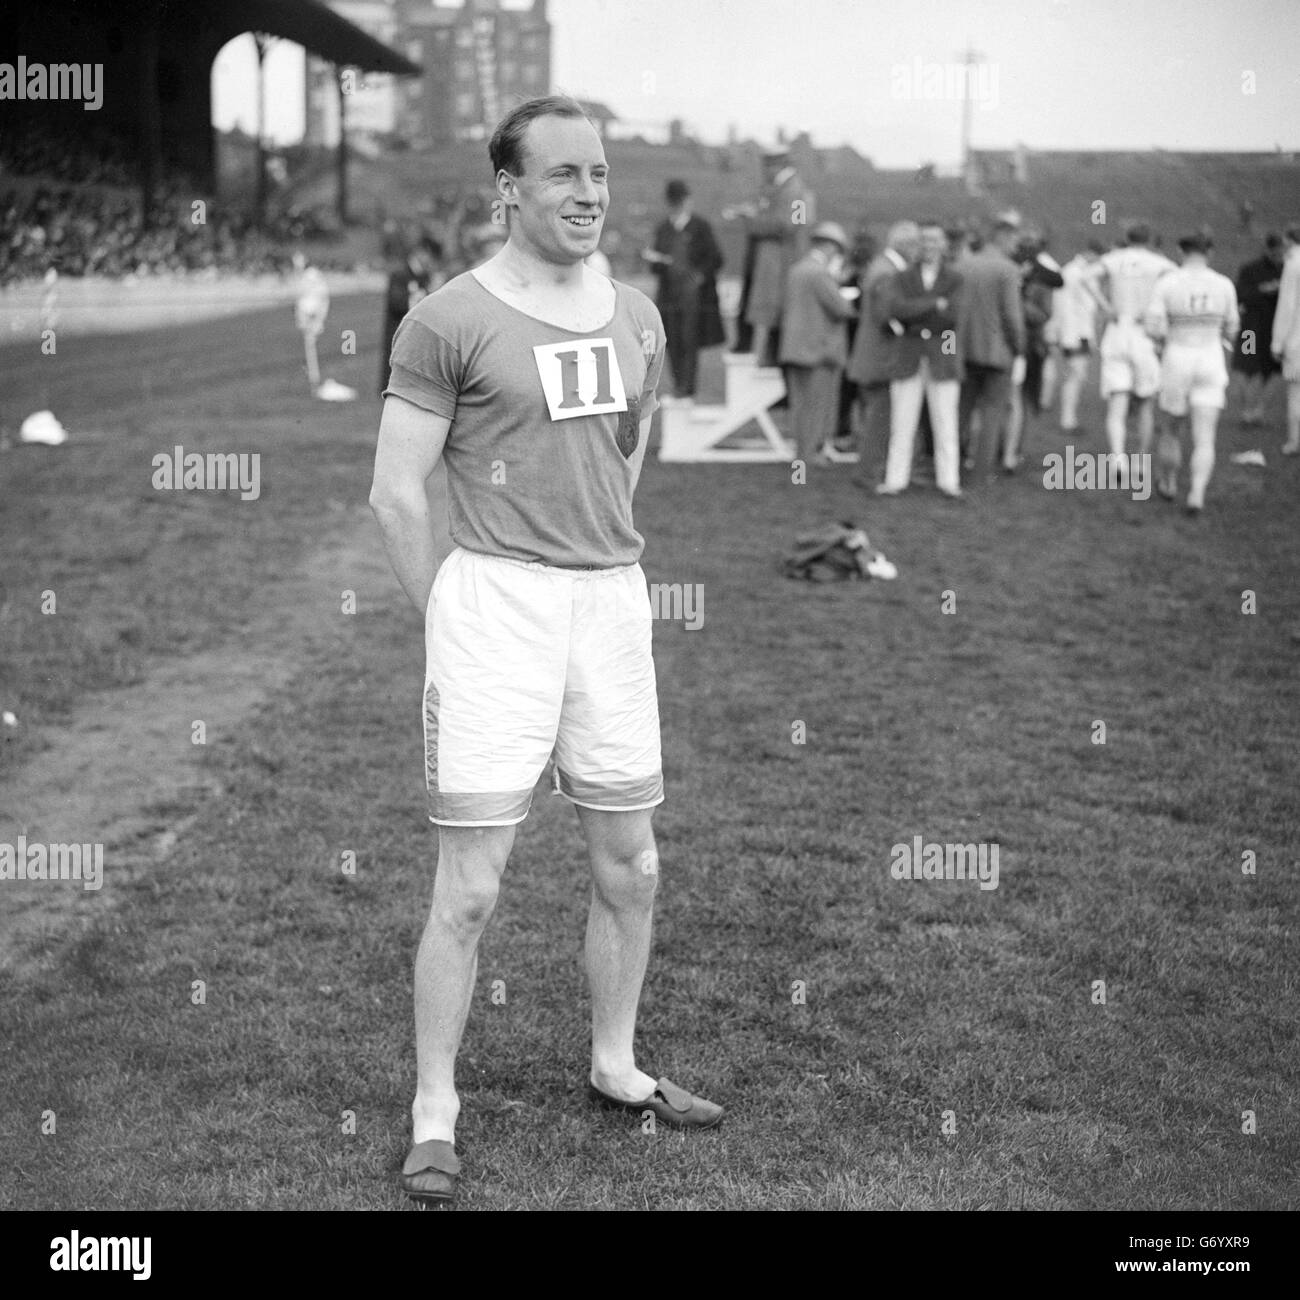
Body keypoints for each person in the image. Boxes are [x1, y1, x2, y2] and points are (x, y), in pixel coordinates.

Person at [370, 95, 723, 1206]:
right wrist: (452, 619)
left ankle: (615, 1065)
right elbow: (394, 493)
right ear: (508, 190)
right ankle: (436, 1111)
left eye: (601, 174)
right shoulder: (447, 318)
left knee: (636, 863)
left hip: (609, 607)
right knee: (470, 889)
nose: (588, 195)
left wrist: (595, 564)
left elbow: (624, 459)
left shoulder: (639, 316)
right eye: (563, 174)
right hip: (496, 609)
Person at [1146, 233, 1240, 514]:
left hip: (1178, 356)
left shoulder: (1168, 282)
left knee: (1172, 428)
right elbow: (1233, 329)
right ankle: (1197, 492)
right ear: (1209, 252)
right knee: (1205, 435)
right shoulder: (1223, 284)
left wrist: (1164, 340)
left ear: (1180, 251)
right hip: (1210, 357)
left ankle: (1170, 481)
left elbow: (1153, 327)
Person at [876, 221, 964, 497]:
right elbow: (894, 308)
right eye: (924, 240)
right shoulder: (902, 277)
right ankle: (896, 479)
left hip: (943, 354)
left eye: (935, 240)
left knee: (945, 420)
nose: (929, 246)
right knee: (902, 422)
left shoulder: (955, 279)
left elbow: (952, 316)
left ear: (944, 245)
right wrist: (932, 304)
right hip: (908, 354)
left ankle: (948, 480)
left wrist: (916, 313)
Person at [1084, 222, 1175, 461]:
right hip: (1144, 332)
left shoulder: (1115, 258)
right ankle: (1140, 458)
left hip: (1118, 329)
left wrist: (1105, 306)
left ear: (1127, 237)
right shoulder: (1159, 262)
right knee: (1145, 402)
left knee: (1118, 399)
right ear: (1148, 239)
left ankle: (1117, 455)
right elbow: (1178, 281)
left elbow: (1087, 276)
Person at [845, 220, 918, 486]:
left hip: (874, 355)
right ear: (905, 245)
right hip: (882, 357)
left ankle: (873, 470)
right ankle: (868, 473)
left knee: (878, 415)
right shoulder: (887, 272)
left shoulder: (882, 267)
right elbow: (886, 315)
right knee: (880, 417)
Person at [955, 215, 1025, 488]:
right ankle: (982, 474)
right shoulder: (1008, 269)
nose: (1016, 246)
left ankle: (951, 467)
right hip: (998, 353)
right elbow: (1012, 316)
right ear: (1003, 237)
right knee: (992, 412)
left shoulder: (963, 265)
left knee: (962, 410)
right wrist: (1019, 347)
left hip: (965, 349)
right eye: (1014, 240)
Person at [778, 221, 856, 465]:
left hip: (794, 348)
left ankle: (802, 454)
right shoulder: (819, 273)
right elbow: (841, 309)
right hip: (818, 351)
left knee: (801, 406)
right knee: (816, 406)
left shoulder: (797, 270)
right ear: (831, 248)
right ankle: (809, 455)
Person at [642, 179, 725, 401]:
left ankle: (687, 387)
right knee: (671, 339)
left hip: (693, 296)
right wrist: (662, 262)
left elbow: (715, 258)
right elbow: (654, 264)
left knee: (689, 339)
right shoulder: (663, 229)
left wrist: (699, 276)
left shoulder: (701, 227)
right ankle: (679, 384)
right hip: (669, 294)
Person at [732, 149, 814, 366]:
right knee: (776, 318)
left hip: (781, 263)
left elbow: (789, 224)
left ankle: (776, 361)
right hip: (780, 261)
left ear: (775, 166)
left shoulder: (793, 190)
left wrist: (752, 220)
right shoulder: (787, 189)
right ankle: (771, 359)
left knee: (779, 315)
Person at [1042, 240, 1103, 431]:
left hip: (1073, 330)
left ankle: (1052, 406)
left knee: (1073, 373)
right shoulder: (1077, 273)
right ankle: (1068, 419)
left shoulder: (1073, 270)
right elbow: (1070, 307)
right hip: (1076, 332)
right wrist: (1071, 335)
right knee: (1077, 374)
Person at [1232, 233, 1285, 425]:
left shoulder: (1288, 270)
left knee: (1275, 371)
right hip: (1251, 330)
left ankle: (1259, 411)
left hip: (1275, 331)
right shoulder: (1250, 269)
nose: (1279, 256)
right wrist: (1268, 290)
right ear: (1268, 250)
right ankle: (1246, 412)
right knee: (1245, 368)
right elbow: (1241, 295)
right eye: (1276, 252)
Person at [1269, 225, 1300, 456]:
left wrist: (1277, 342)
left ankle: (1294, 441)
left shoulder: (1293, 264)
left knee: (1296, 393)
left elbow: (1287, 305)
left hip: (1296, 337)